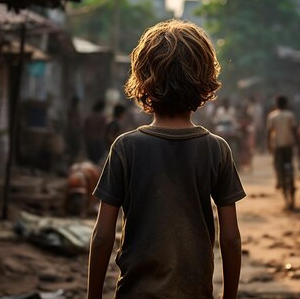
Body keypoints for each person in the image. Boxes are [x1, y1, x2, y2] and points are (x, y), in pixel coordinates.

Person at [88, 20, 245, 299]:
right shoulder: (216, 149)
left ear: (142, 79)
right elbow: (231, 239)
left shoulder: (126, 148)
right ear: (205, 81)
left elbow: (102, 237)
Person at [266, 95, 298, 209]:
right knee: (290, 165)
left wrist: (269, 145)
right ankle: (292, 181)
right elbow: (294, 130)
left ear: (276, 104)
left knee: (278, 165)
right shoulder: (290, 115)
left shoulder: (272, 116)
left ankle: (279, 181)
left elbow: (269, 133)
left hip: (278, 146)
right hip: (288, 145)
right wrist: (297, 144)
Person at [83, 100, 107, 164]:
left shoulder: (89, 117)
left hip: (90, 140)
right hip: (98, 141)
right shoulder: (102, 117)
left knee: (91, 160)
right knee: (98, 161)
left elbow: (85, 130)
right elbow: (103, 131)